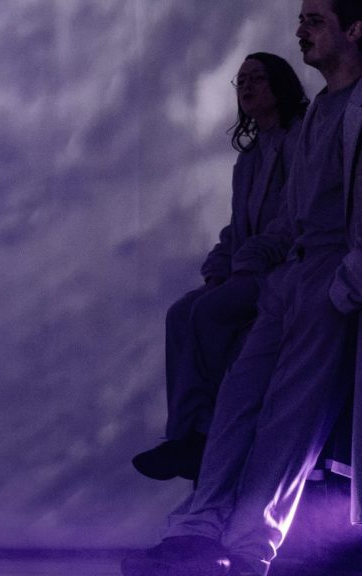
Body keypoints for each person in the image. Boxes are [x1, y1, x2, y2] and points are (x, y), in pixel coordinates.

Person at [124, 1, 362, 574]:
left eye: (315, 20)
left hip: (332, 276)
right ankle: (196, 530)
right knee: (235, 404)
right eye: (301, 20)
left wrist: (347, 282)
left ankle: (248, 548)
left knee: (289, 421)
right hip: (290, 275)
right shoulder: (318, 114)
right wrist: (256, 267)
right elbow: (290, 216)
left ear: (356, 28)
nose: (300, 30)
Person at [132, 52, 308, 482]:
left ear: (279, 83)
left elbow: (294, 216)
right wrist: (219, 268)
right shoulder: (248, 160)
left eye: (257, 78)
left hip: (286, 270)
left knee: (208, 312)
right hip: (249, 270)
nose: (246, 87)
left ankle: (206, 430)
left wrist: (248, 263)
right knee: (181, 312)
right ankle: (184, 437)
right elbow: (236, 229)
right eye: (241, 81)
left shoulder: (302, 139)